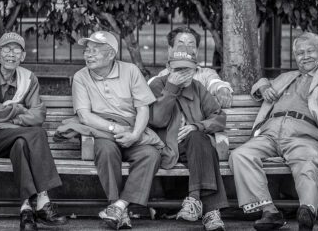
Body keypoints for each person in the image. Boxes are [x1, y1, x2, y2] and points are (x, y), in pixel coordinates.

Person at [228, 32, 318, 231]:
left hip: (304, 136)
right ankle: (269, 211)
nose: (304, 56)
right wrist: (263, 87)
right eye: (299, 53)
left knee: (306, 162)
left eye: (310, 51)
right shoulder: (287, 76)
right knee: (239, 155)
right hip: (269, 133)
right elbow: (261, 83)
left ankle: (307, 211)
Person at [0, 32, 67, 231]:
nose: (11, 54)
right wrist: (18, 109)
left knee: (22, 144)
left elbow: (38, 115)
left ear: (23, 56)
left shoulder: (28, 78)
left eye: (16, 50)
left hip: (17, 137)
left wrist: (9, 116)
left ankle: (26, 211)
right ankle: (42, 199)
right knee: (37, 134)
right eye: (6, 49)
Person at [72, 31, 161, 230]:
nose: (88, 54)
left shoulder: (130, 71)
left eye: (95, 51)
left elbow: (143, 108)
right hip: (102, 131)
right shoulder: (80, 77)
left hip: (131, 131)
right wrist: (113, 128)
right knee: (106, 150)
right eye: (87, 50)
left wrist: (135, 135)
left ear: (111, 54)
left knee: (151, 154)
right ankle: (115, 203)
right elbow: (85, 116)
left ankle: (119, 207)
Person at [149, 39, 229, 231]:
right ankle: (211, 213)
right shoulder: (157, 85)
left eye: (188, 69)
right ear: (168, 67)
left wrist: (198, 126)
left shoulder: (198, 87)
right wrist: (171, 89)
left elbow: (218, 117)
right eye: (178, 69)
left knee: (198, 138)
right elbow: (157, 120)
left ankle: (193, 200)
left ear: (195, 68)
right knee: (205, 149)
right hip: (168, 146)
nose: (183, 74)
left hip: (195, 145)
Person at [148, 26, 233, 108]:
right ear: (170, 49)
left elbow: (215, 82)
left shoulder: (206, 74)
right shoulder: (162, 77)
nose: (186, 49)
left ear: (197, 51)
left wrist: (223, 89)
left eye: (191, 46)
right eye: (180, 45)